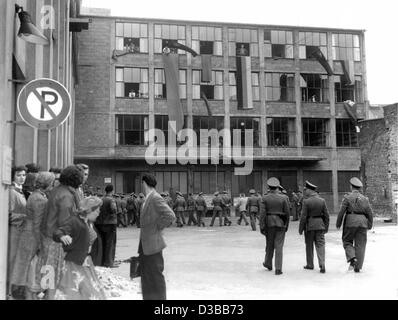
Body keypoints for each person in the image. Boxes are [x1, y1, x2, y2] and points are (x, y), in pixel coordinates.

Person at [39, 165, 84, 299]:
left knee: (48, 270)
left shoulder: (57, 190)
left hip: (48, 235)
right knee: (56, 272)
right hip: (56, 239)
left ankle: (46, 295)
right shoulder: (66, 196)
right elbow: (65, 222)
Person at [10, 172, 55, 300]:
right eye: (51, 183)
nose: (52, 185)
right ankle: (27, 293)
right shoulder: (39, 199)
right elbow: (38, 223)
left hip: (29, 233)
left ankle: (26, 292)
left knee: (27, 264)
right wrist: (41, 242)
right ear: (46, 184)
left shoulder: (36, 196)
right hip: (32, 235)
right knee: (30, 265)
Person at [53, 196, 106, 300]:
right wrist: (62, 236)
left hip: (85, 261)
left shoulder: (87, 222)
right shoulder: (74, 221)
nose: (99, 213)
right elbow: (58, 232)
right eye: (97, 211)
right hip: (74, 263)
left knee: (88, 290)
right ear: (89, 210)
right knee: (75, 291)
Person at [138, 174, 175, 300]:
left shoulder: (155, 197)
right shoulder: (148, 198)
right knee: (147, 275)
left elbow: (170, 216)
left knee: (155, 275)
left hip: (153, 243)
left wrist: (158, 227)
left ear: (144, 183)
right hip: (145, 243)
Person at [336, 177, 373, 273]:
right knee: (360, 244)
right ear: (360, 188)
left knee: (347, 241)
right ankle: (357, 267)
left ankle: (352, 258)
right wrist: (369, 224)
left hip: (350, 222)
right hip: (363, 223)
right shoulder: (365, 199)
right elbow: (370, 213)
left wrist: (338, 223)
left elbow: (341, 212)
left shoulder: (347, 197)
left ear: (351, 187)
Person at [260, 178, 290, 275]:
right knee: (279, 246)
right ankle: (278, 268)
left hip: (269, 223)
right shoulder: (284, 198)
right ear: (277, 187)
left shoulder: (264, 198)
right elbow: (287, 213)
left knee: (269, 244)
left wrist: (262, 226)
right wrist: (286, 225)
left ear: (269, 187)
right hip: (281, 223)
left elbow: (262, 214)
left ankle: (268, 263)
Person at [299, 181, 330, 273]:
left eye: (306, 190)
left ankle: (310, 264)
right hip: (320, 225)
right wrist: (326, 227)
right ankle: (322, 263)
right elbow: (326, 215)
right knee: (320, 244)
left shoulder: (306, 201)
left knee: (309, 246)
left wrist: (301, 229)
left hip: (310, 226)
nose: (305, 191)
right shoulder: (322, 200)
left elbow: (303, 217)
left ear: (310, 190)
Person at [8, 166, 27, 299]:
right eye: (18, 175)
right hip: (13, 231)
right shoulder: (11, 192)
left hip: (20, 231)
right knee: (11, 260)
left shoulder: (20, 191)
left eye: (24, 175)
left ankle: (12, 290)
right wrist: (25, 217)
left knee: (16, 260)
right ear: (13, 176)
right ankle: (8, 291)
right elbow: (8, 215)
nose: (22, 178)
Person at [95, 184, 118, 268]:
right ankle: (109, 262)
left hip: (100, 224)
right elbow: (113, 210)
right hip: (110, 224)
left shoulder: (100, 199)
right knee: (110, 243)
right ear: (112, 191)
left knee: (103, 243)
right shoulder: (111, 200)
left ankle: (102, 261)